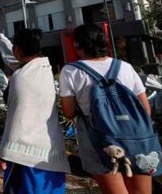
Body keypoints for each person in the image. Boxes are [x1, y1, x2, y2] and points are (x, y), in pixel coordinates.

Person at [59, 24, 152, 194]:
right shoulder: (125, 67)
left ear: (77, 45)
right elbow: (145, 110)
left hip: (98, 142)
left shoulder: (70, 71)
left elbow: (69, 112)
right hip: (136, 138)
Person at [0, 29, 70, 194]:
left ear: (16, 50)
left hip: (26, 157)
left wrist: (2, 152)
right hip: (51, 151)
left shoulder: (20, 77)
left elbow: (17, 117)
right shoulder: (45, 69)